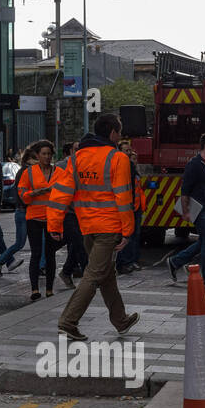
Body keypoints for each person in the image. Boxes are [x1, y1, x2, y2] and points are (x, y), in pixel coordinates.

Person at [48, 114, 140, 342]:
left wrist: (54, 223)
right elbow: (123, 199)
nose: (120, 137)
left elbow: (60, 194)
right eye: (119, 132)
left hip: (87, 227)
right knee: (94, 275)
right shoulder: (117, 159)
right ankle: (68, 322)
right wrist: (128, 231)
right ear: (112, 133)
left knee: (107, 275)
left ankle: (120, 320)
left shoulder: (76, 159)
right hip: (109, 227)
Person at [167, 132, 205, 288]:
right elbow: (185, 190)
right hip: (199, 209)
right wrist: (186, 211)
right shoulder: (194, 165)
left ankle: (175, 261)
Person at [19, 140, 61, 301]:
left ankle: (49, 289)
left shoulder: (59, 172)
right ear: (38, 155)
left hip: (52, 218)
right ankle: (35, 289)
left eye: (49, 154)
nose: (47, 157)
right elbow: (22, 195)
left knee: (50, 254)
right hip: (34, 218)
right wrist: (38, 192)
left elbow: (66, 193)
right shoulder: (28, 173)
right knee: (36, 253)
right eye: (44, 154)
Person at [0, 146, 30, 276]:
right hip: (23, 211)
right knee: (20, 243)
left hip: (30, 211)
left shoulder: (30, 171)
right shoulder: (24, 172)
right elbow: (22, 194)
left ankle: (42, 265)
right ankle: (0, 260)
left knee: (41, 242)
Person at [54, 141, 88, 290]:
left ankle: (67, 271)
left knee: (76, 244)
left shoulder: (85, 166)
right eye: (76, 149)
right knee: (80, 243)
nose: (79, 151)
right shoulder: (62, 166)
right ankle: (89, 275)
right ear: (70, 151)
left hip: (81, 212)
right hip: (68, 212)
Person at [116, 142, 145, 274]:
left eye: (129, 150)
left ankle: (131, 260)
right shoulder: (121, 167)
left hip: (135, 207)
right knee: (126, 236)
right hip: (127, 208)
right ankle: (124, 262)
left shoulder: (132, 168)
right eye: (125, 151)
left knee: (134, 235)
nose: (128, 153)